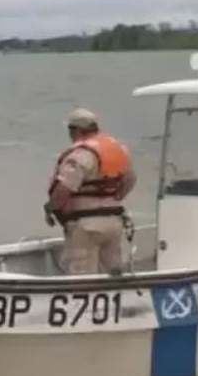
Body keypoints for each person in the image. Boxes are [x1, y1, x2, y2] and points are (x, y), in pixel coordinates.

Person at [45, 108, 137, 275]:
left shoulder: (80, 156)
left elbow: (64, 189)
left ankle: (82, 301)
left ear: (75, 131)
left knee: (81, 276)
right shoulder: (118, 150)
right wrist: (114, 198)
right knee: (111, 273)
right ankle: (114, 300)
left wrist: (50, 208)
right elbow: (130, 180)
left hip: (86, 226)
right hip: (114, 222)